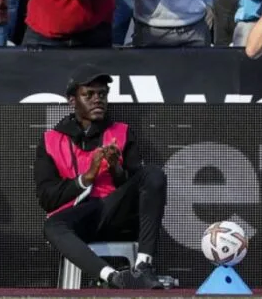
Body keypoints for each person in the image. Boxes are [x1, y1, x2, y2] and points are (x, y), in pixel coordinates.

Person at [36, 65, 172, 290]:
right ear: (72, 101)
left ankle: (143, 266)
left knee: (153, 174)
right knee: (52, 226)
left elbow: (140, 188)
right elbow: (47, 198)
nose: (97, 99)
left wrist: (115, 169)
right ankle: (115, 278)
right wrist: (86, 178)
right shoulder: (51, 140)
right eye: (88, 94)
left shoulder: (122, 131)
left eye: (102, 94)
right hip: (78, 217)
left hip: (115, 211)